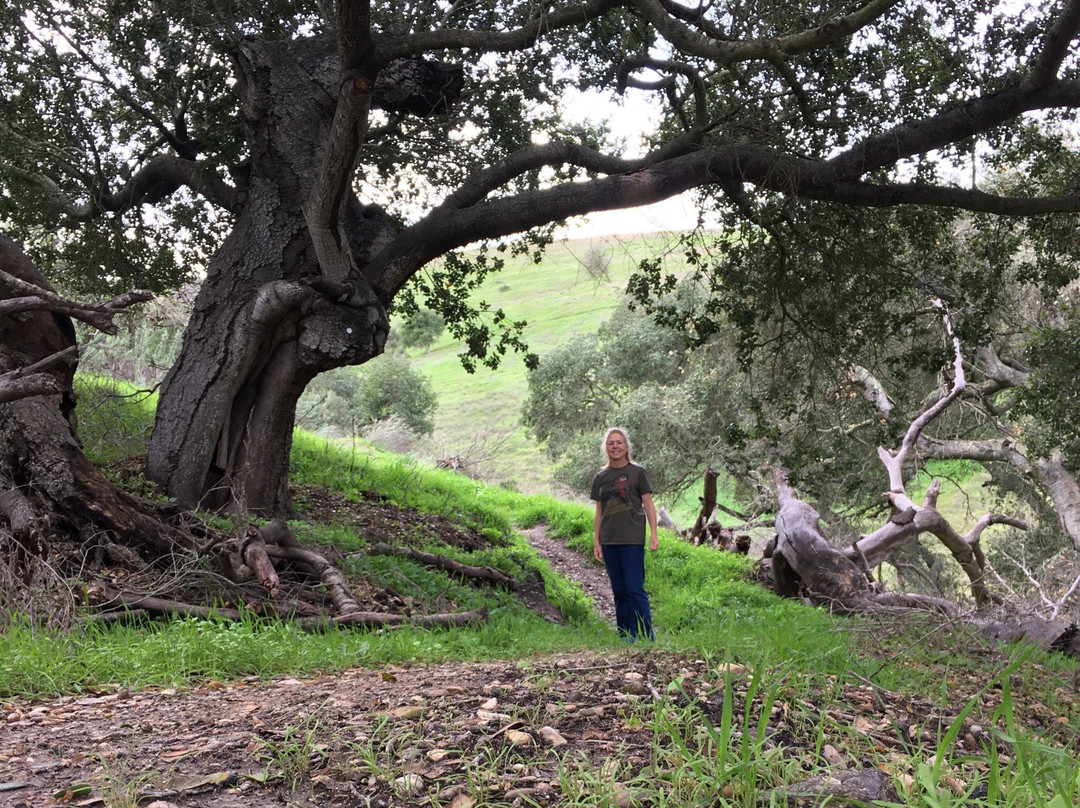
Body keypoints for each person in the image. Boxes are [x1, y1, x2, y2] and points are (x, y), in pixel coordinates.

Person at [590, 426, 658, 642]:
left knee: (634, 588)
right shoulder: (601, 477)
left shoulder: (638, 472)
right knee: (619, 590)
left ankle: (646, 636)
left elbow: (648, 503)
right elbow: (599, 510)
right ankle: (626, 635)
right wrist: (596, 541)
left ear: (626, 446)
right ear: (606, 448)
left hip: (632, 538)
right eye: (611, 443)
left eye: (619, 442)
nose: (615, 446)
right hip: (609, 540)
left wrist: (654, 533)